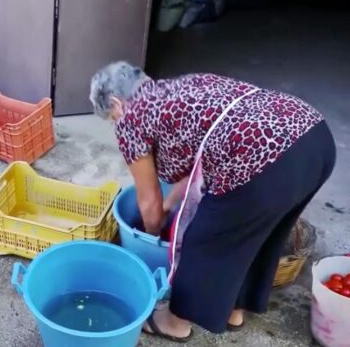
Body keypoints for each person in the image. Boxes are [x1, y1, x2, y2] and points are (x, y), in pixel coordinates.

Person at [89, 61, 336, 342]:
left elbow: (148, 204)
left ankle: (174, 321)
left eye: (110, 117)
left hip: (264, 157)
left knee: (204, 240)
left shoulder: (131, 119)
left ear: (115, 103)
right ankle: (234, 310)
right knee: (261, 232)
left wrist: (154, 231)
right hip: (314, 138)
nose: (115, 122)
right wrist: (170, 205)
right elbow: (203, 161)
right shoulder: (180, 86)